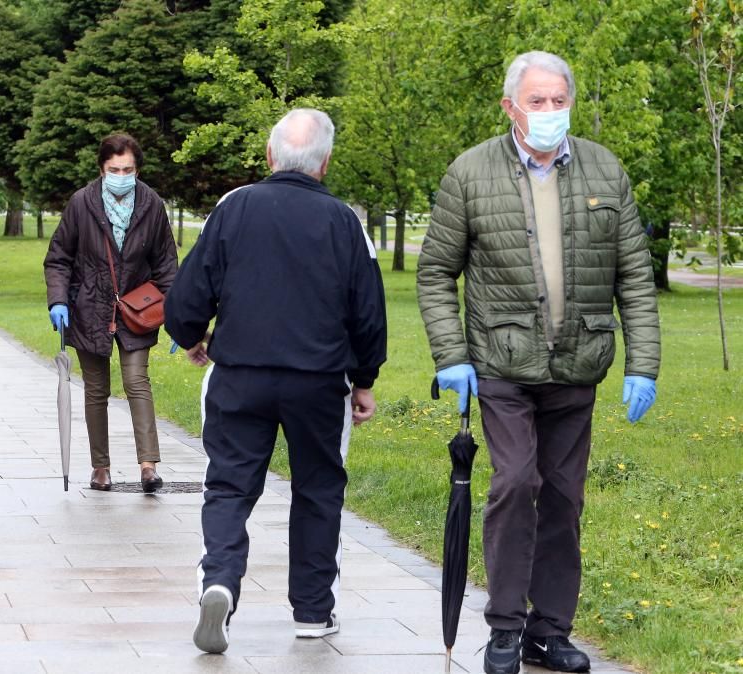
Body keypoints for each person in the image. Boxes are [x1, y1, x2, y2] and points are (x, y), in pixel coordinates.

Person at [416, 51, 660, 674]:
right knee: (515, 482)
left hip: (578, 363)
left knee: (562, 497)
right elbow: (437, 272)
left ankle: (548, 631)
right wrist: (451, 354)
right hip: (502, 363)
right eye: (537, 101)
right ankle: (503, 626)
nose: (550, 112)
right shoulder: (470, 173)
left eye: (558, 100)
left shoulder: (605, 169)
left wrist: (644, 363)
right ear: (510, 107)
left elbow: (634, 274)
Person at [164, 108, 387, 654]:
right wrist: (364, 379)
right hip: (317, 381)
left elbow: (190, 290)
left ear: (269, 156)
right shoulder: (344, 222)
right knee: (317, 489)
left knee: (229, 484)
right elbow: (367, 311)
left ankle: (219, 580)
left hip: (240, 373)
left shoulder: (233, 208)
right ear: (326, 161)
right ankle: (313, 611)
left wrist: (192, 333)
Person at [44, 133, 178, 493]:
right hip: (89, 306)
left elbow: (166, 264)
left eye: (128, 169)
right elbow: (59, 258)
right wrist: (58, 299)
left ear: (137, 169)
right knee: (96, 389)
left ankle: (148, 465)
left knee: (137, 382)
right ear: (101, 169)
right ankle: (100, 466)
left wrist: (178, 314)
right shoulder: (81, 203)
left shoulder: (150, 204)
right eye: (114, 169)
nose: (121, 175)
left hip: (137, 308)